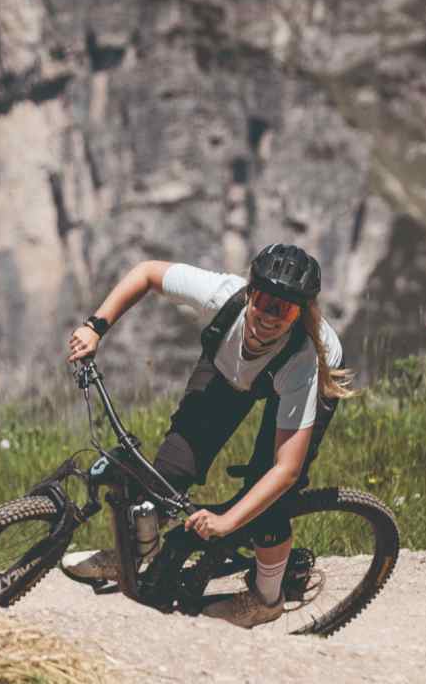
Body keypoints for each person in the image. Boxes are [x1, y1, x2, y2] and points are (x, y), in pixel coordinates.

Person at [61, 244, 354, 628]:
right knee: (172, 466)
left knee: (267, 500)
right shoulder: (221, 294)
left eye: (284, 309)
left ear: (300, 314)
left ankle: (267, 598)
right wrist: (95, 326)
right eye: (264, 301)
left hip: (294, 382)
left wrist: (229, 522)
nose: (268, 316)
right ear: (250, 292)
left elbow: (286, 470)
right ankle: (131, 554)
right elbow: (147, 272)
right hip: (228, 369)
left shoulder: (304, 361)